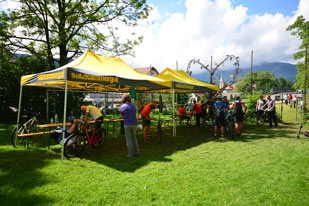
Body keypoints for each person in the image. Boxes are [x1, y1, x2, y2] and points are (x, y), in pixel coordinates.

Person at [120, 94, 140, 159]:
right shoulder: (133, 105)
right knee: (134, 138)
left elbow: (122, 117)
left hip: (127, 124)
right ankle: (137, 152)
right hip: (134, 123)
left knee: (129, 140)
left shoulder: (122, 107)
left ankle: (130, 154)